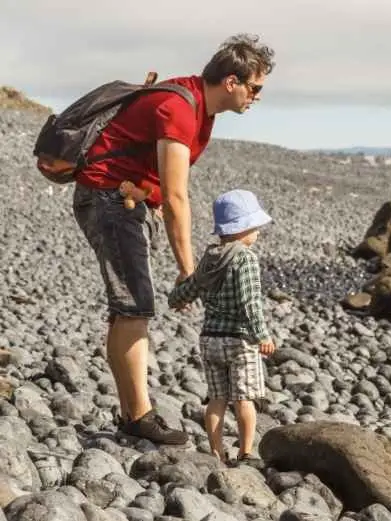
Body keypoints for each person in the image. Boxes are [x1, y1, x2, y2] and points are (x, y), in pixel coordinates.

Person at [72, 34, 275, 444]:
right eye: (255, 88)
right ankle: (139, 417)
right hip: (109, 196)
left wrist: (156, 202)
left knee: (127, 308)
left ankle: (133, 413)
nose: (257, 97)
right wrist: (188, 271)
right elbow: (179, 193)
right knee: (134, 307)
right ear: (232, 81)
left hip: (124, 198)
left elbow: (161, 181)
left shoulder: (200, 108)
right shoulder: (181, 107)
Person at [167, 189, 276, 464]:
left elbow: (191, 286)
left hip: (210, 340)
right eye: (255, 227)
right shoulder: (245, 258)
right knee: (244, 399)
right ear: (243, 229)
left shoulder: (210, 257)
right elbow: (250, 302)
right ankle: (245, 452)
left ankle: (216, 452)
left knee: (217, 399)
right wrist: (262, 335)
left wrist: (177, 299)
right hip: (239, 341)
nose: (258, 233)